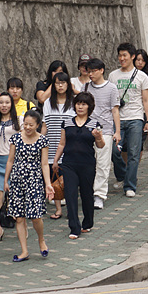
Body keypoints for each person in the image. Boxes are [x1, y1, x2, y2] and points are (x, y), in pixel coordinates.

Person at [53, 92, 105, 239]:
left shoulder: (95, 124)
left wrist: (98, 137)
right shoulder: (67, 123)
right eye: (78, 103)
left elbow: (100, 146)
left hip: (87, 164)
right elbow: (62, 143)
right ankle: (74, 227)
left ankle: (87, 223)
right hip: (69, 163)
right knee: (70, 194)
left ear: (89, 107)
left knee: (87, 194)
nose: (80, 106)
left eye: (84, 104)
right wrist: (56, 161)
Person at [4, 108, 53, 262]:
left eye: (31, 125)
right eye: (25, 124)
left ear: (37, 125)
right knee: (19, 217)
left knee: (36, 217)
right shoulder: (16, 139)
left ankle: (41, 240)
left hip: (35, 181)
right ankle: (24, 251)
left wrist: (48, 184)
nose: (27, 127)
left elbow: (44, 164)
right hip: (17, 181)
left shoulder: (42, 140)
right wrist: (6, 180)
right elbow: (10, 160)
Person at [108, 43, 148, 199]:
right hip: (117, 119)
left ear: (132, 56)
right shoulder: (113, 76)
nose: (122, 58)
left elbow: (146, 100)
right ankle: (123, 176)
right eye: (120, 55)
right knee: (113, 150)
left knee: (134, 153)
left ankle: (129, 186)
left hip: (136, 118)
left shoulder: (142, 76)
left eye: (124, 55)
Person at [82, 58, 121, 210]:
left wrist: (117, 131)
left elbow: (115, 110)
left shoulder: (111, 88)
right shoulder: (86, 88)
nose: (90, 74)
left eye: (93, 71)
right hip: (87, 130)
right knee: (88, 163)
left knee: (103, 164)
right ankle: (88, 191)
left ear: (101, 70)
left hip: (105, 130)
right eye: (88, 71)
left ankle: (99, 195)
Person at [41, 72, 75, 219]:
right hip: (51, 145)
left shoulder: (74, 102)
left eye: (63, 82)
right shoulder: (48, 103)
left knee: (68, 179)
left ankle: (71, 209)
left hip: (68, 147)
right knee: (54, 179)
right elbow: (45, 125)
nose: (60, 86)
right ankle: (58, 209)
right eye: (57, 83)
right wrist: (40, 141)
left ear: (68, 84)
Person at [0, 92, 22, 242]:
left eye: (7, 102)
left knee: (17, 198)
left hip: (15, 163)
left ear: (12, 104)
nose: (4, 105)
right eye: (1, 102)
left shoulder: (19, 121)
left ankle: (21, 228)